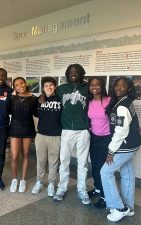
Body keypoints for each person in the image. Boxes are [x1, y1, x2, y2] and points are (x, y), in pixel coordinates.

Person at [101, 77, 141, 222]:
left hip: (125, 146)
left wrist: (111, 151)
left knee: (105, 172)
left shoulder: (122, 106)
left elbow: (121, 131)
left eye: (123, 86)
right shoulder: (126, 101)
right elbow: (132, 123)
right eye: (116, 85)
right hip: (133, 144)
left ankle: (119, 208)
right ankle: (129, 208)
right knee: (128, 173)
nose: (118, 88)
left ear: (128, 88)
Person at [53, 64, 91, 205]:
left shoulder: (87, 88)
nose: (73, 73)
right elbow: (51, 96)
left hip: (83, 131)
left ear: (81, 73)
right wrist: (43, 96)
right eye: (70, 72)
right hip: (67, 130)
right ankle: (61, 188)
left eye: (76, 72)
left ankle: (82, 190)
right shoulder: (62, 89)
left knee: (83, 163)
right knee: (64, 161)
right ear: (67, 74)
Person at [31, 77, 62, 197]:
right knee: (40, 160)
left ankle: (51, 183)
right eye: (46, 86)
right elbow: (34, 112)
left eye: (51, 85)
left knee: (54, 161)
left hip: (56, 135)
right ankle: (39, 181)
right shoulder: (39, 99)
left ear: (54, 86)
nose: (49, 87)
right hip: (41, 135)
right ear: (43, 88)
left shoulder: (60, 99)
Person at [87, 77, 111, 209]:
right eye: (92, 84)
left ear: (102, 86)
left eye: (97, 84)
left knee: (103, 169)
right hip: (93, 137)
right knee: (95, 166)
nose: (94, 86)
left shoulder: (109, 101)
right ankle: (97, 188)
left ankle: (105, 196)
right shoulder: (89, 101)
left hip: (106, 139)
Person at [9, 77, 36, 193]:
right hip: (15, 128)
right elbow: (7, 110)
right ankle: (14, 179)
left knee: (25, 154)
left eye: (22, 83)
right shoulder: (12, 98)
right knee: (14, 156)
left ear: (25, 84)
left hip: (28, 128)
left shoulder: (33, 98)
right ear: (14, 87)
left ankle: (23, 180)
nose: (20, 86)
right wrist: (10, 96)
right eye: (17, 85)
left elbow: (37, 112)